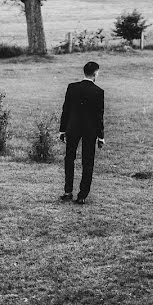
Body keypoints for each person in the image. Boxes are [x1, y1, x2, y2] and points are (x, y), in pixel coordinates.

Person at [58, 61, 105, 205]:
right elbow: (99, 116)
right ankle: (82, 195)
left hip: (73, 128)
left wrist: (62, 129)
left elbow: (65, 109)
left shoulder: (72, 88)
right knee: (88, 161)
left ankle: (67, 191)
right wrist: (101, 136)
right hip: (90, 130)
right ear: (95, 73)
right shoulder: (98, 91)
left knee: (69, 158)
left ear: (84, 72)